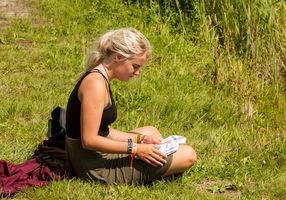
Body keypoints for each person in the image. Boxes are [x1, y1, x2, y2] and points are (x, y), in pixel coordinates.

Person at [65, 28, 197, 185]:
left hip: (88, 155)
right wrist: (136, 148)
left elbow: (103, 131)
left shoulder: (100, 76)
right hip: (94, 167)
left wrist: (141, 139)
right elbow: (89, 140)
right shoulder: (96, 84)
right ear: (118, 57)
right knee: (189, 154)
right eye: (135, 66)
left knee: (151, 131)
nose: (137, 73)